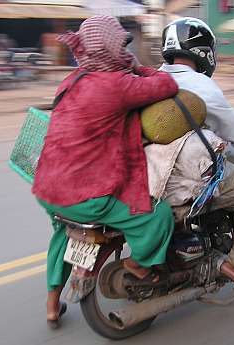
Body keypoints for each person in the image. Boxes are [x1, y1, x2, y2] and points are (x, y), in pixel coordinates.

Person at [32, 15, 178, 328]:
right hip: (86, 195)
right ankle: (138, 264)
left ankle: (52, 305)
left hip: (48, 189)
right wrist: (137, 66)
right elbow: (167, 84)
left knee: (64, 231)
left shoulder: (73, 79)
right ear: (110, 47)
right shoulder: (119, 84)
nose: (126, 48)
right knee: (157, 214)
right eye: (121, 44)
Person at [145, 17, 234, 293]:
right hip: (185, 176)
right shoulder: (202, 86)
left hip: (148, 173)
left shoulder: (149, 78)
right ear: (204, 52)